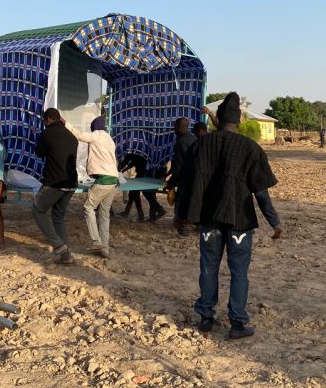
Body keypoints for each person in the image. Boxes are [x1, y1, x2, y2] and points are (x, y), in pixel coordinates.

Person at [184, 93, 282, 339]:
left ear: (218, 119)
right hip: (239, 220)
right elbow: (260, 191)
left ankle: (206, 317)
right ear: (238, 121)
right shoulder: (250, 148)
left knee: (208, 267)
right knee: (239, 272)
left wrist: (182, 215)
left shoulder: (200, 144)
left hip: (208, 219)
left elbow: (188, 183)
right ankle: (237, 323)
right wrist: (274, 221)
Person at [64, 115, 119, 259]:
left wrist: (66, 123)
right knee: (104, 214)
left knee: (88, 207)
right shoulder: (109, 138)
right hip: (114, 179)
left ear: (94, 127)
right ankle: (105, 249)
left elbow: (79, 135)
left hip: (104, 179)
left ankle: (96, 241)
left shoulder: (96, 135)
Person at [33, 108, 79, 265]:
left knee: (38, 210)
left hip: (55, 183)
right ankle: (66, 256)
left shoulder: (47, 133)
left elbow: (39, 152)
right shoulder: (72, 136)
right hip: (71, 184)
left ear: (47, 120)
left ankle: (58, 245)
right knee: (58, 216)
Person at [166, 117, 197, 236]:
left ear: (178, 128)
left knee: (180, 203)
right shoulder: (194, 139)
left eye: (174, 127)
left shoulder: (181, 142)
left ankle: (182, 228)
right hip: (196, 177)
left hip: (186, 178)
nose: (174, 130)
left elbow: (178, 166)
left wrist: (171, 183)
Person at [117, 153, 166, 222]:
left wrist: (118, 169)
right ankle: (131, 213)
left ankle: (156, 210)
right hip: (149, 172)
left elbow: (126, 161)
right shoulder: (139, 149)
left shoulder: (131, 149)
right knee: (135, 193)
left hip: (143, 173)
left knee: (138, 193)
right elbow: (133, 161)